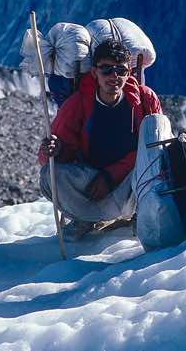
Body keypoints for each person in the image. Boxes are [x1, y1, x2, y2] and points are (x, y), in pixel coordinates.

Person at [38, 39, 166, 241]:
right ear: (94, 73)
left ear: (129, 73)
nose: (114, 76)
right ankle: (85, 218)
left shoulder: (145, 99)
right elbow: (52, 156)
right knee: (49, 174)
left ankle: (140, 215)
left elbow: (156, 148)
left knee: (155, 162)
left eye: (121, 70)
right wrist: (56, 150)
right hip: (91, 180)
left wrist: (110, 176)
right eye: (106, 69)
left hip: (132, 181)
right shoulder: (78, 103)